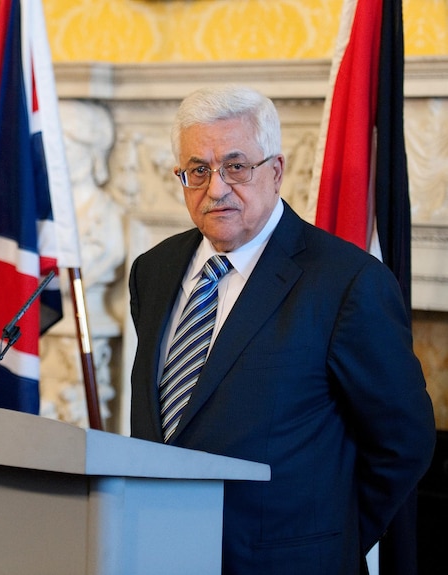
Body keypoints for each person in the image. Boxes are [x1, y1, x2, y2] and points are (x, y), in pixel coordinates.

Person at [128, 85, 434, 574]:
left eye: (236, 166)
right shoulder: (154, 270)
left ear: (276, 171)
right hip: (163, 553)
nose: (217, 188)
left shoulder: (347, 281)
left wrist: (327, 538)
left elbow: (404, 442)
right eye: (198, 171)